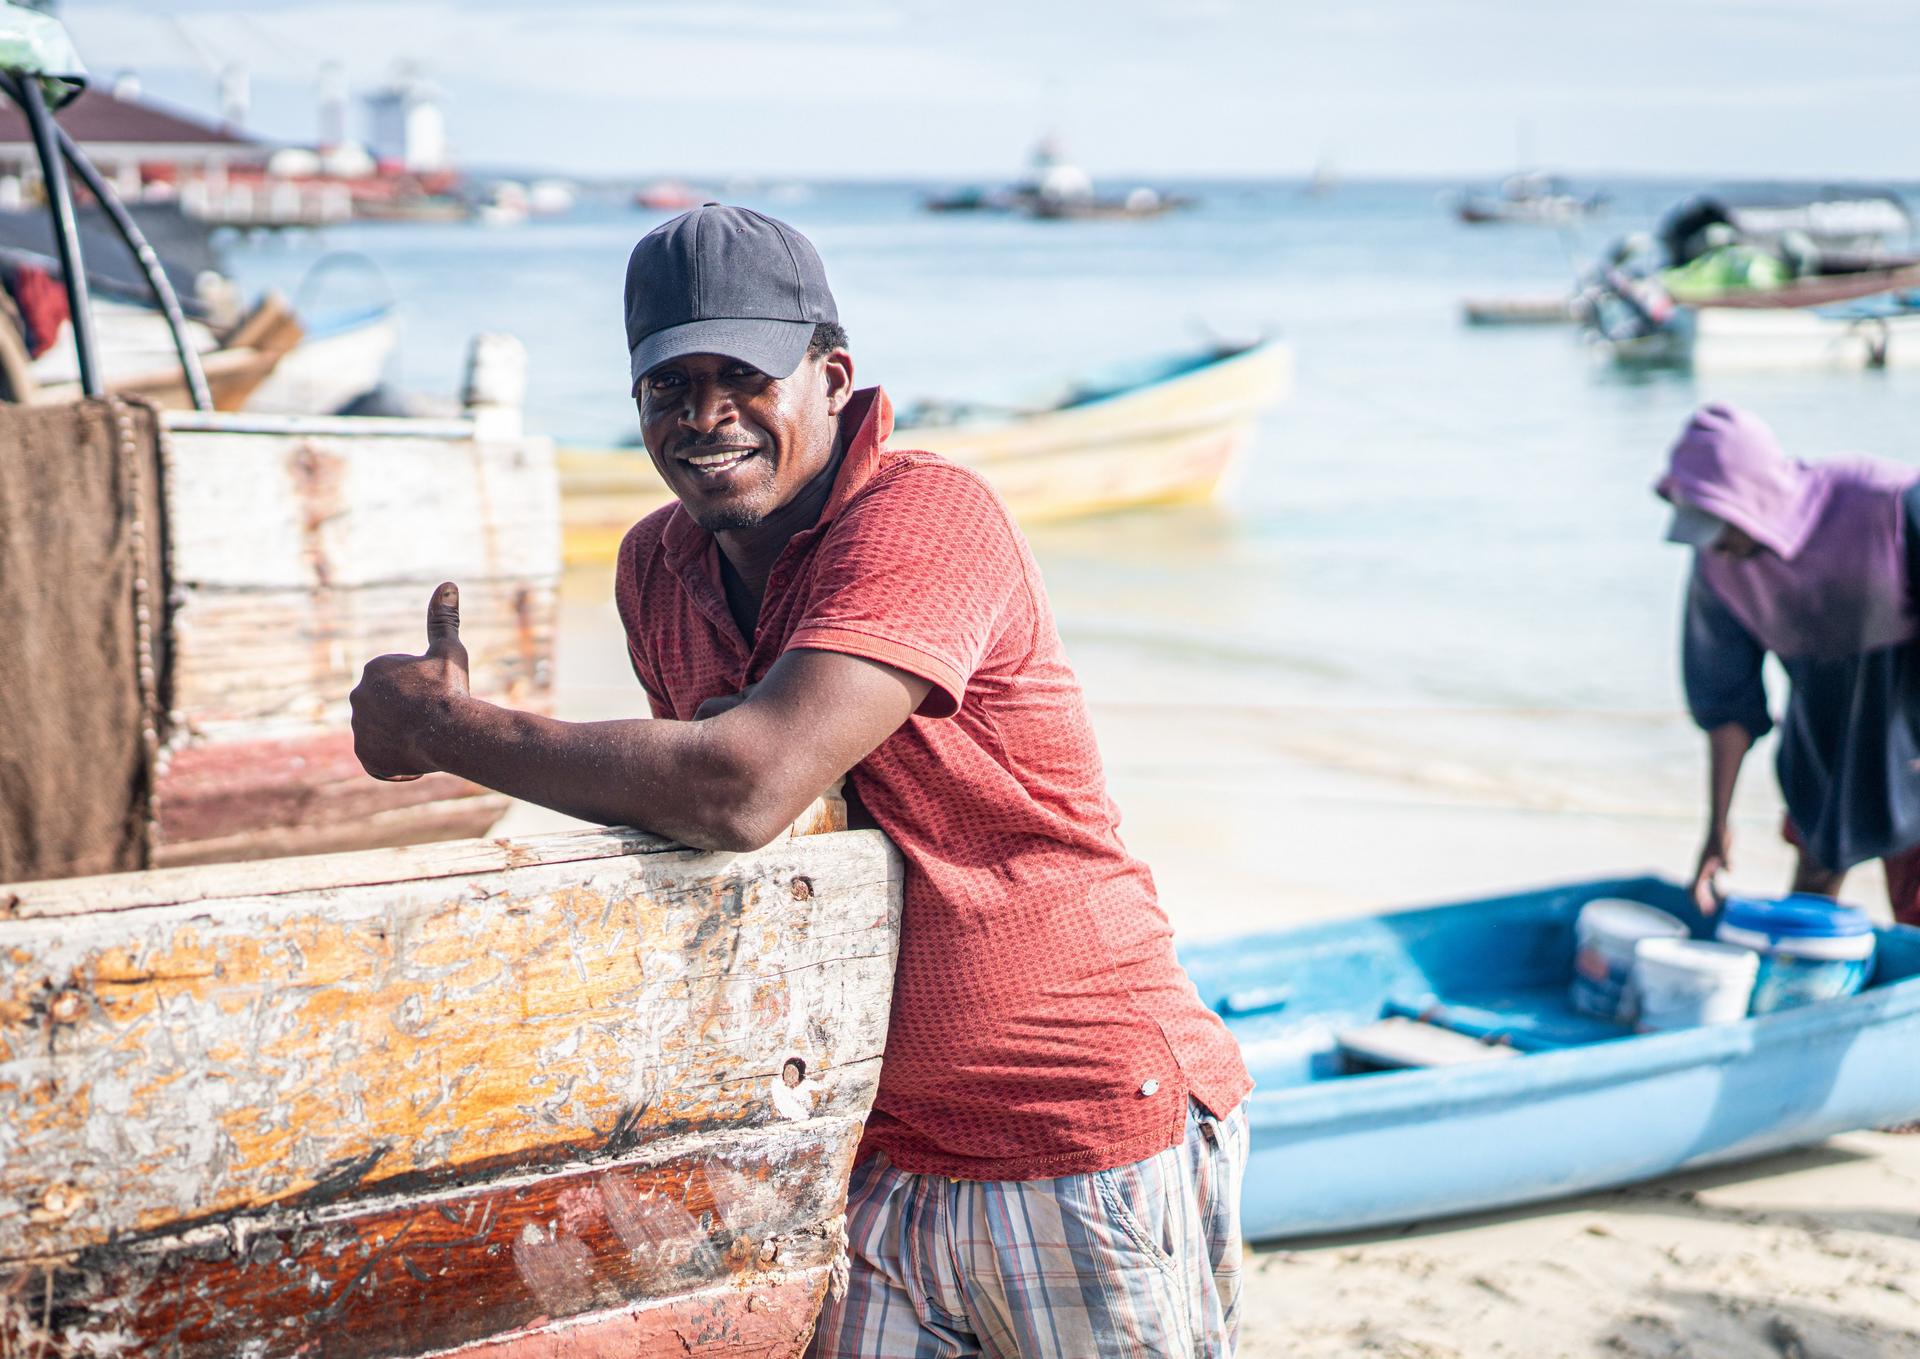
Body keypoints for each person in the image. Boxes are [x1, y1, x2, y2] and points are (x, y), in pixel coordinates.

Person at [349, 205, 1253, 1357]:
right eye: (670, 388)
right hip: (859, 1147)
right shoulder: (656, 567)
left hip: (1070, 1126)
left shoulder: (928, 517)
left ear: (832, 378)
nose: (705, 416)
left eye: (743, 377)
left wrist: (449, 732)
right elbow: (717, 834)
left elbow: (743, 788)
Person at [1657, 403, 1920, 924]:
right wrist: (1717, 826)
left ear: (1754, 498)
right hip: (1822, 742)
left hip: (1908, 723)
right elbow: (1727, 702)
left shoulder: (1884, 503)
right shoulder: (1720, 569)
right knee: (1805, 913)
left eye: (1721, 526)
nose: (1719, 547)